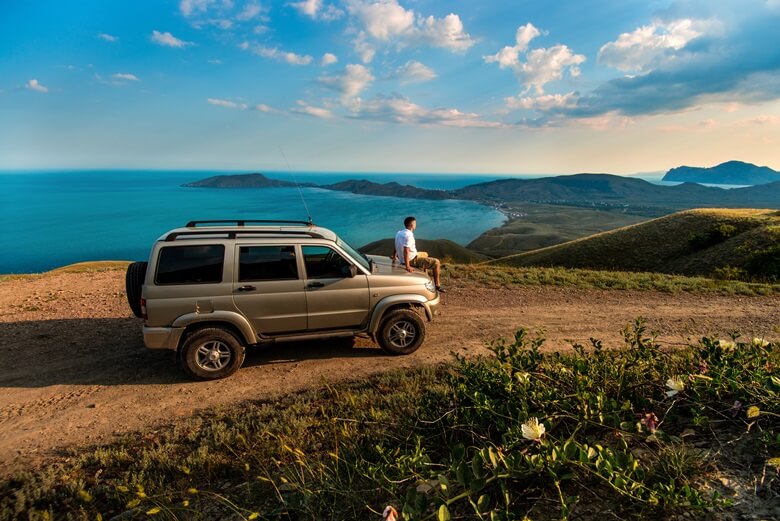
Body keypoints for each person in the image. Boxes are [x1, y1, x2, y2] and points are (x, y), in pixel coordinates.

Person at [392, 216, 445, 292]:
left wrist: (394, 256)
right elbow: (406, 250)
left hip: (411, 255)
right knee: (436, 262)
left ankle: (424, 277)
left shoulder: (399, 233)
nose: (416, 224)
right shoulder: (409, 235)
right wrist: (408, 266)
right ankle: (437, 285)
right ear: (412, 225)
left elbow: (396, 244)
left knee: (425, 254)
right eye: (415, 223)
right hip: (411, 259)